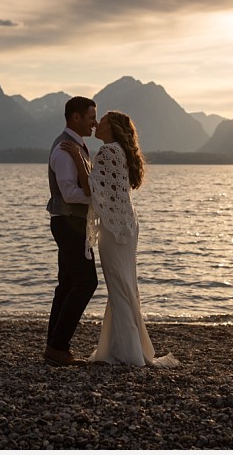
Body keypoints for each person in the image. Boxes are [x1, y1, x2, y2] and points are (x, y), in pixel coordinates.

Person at [61, 111, 178, 367]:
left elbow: (91, 189)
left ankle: (130, 354)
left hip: (114, 230)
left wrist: (77, 158)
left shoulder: (108, 152)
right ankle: (123, 347)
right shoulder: (118, 152)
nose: (96, 124)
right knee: (124, 287)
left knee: (119, 287)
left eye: (101, 122)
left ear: (111, 127)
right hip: (125, 225)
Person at [44, 96, 99, 367]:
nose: (94, 123)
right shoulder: (65, 150)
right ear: (75, 118)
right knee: (86, 283)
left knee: (67, 284)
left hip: (70, 222)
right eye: (91, 117)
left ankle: (53, 346)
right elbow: (68, 192)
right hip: (68, 223)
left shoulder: (76, 146)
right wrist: (99, 199)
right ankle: (58, 345)